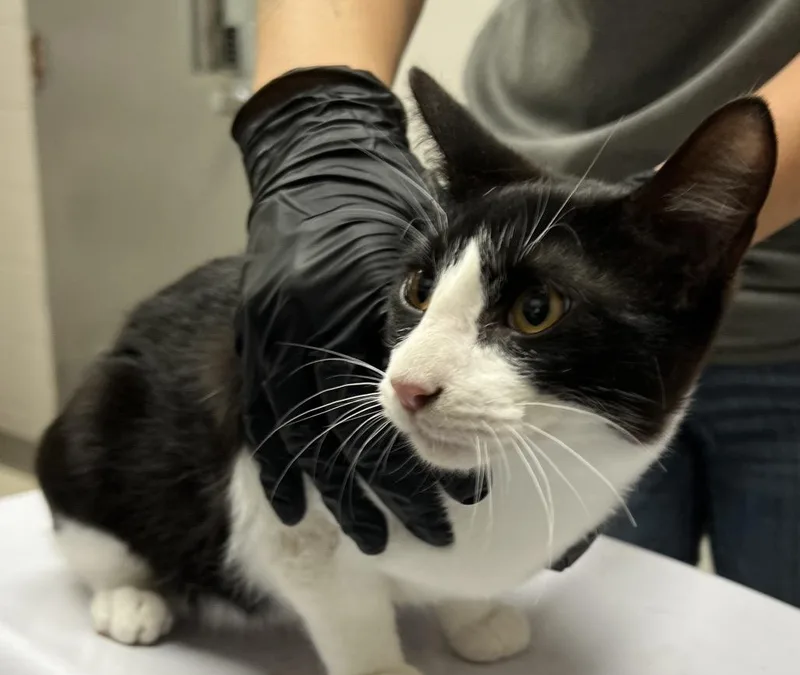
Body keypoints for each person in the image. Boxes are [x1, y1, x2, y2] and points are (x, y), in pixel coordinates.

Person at [235, 1, 800, 601]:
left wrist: (655, 239)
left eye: (532, 313)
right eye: (421, 292)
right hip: (521, 172)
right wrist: (316, 125)